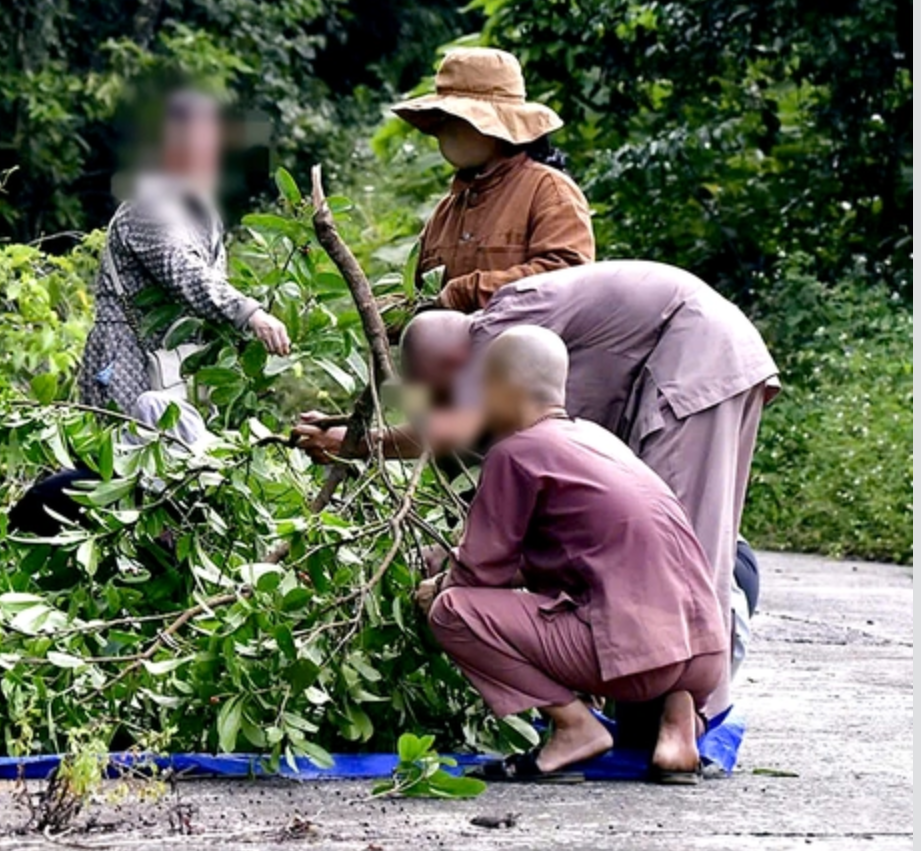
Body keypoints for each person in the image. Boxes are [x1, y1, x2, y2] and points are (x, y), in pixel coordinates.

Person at [295, 260, 778, 717]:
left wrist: (361, 445)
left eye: (443, 392)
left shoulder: (497, 330)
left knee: (683, 553)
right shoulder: (518, 379)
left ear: (461, 365)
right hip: (710, 354)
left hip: (695, 355)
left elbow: (455, 425)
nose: (443, 407)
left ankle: (691, 720)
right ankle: (660, 721)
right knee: (666, 550)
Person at [417, 326, 726, 783]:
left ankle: (574, 727)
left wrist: (440, 582)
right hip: (703, 655)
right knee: (652, 591)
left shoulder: (516, 452)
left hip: (637, 661)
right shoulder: (600, 441)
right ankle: (678, 733)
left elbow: (478, 576)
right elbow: (585, 550)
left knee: (452, 611)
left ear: (499, 390)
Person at [79, 91, 289, 426]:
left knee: (185, 464)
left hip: (177, 362)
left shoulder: (200, 208)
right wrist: (250, 313)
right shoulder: (149, 205)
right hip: (128, 361)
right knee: (131, 463)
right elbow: (182, 269)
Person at [390, 48, 594, 312]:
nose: (445, 129)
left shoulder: (548, 190)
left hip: (525, 351)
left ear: (496, 125)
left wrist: (465, 293)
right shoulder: (446, 212)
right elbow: (413, 294)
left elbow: (566, 279)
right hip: (452, 352)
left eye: (456, 118)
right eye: (442, 117)